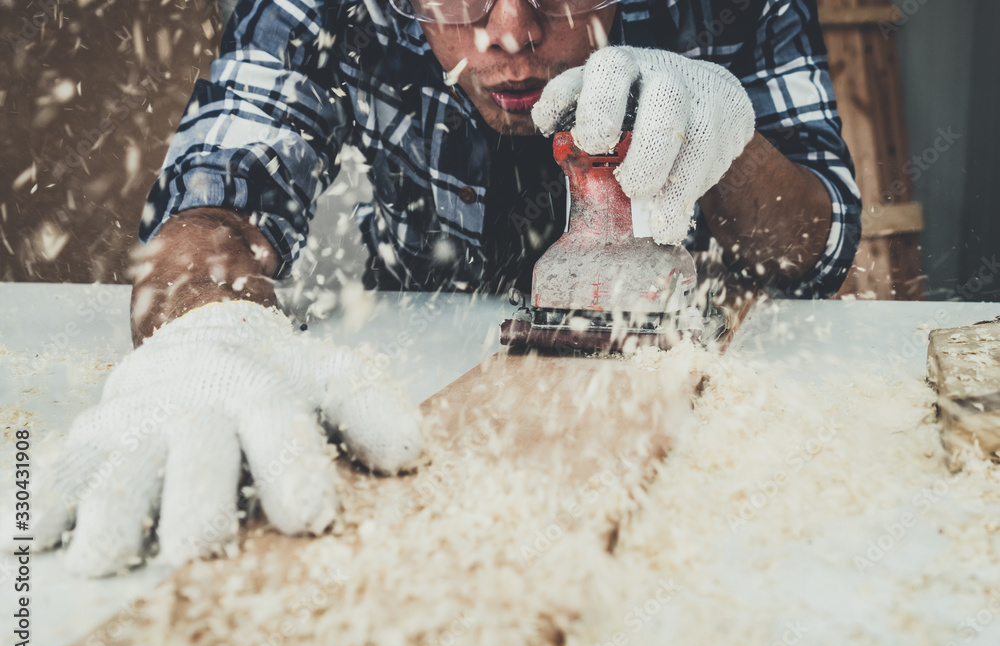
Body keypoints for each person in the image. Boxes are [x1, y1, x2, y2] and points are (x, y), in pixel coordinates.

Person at [34, 0, 861, 576]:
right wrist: (207, 334)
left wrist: (732, 148)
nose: (508, 33)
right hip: (415, 381)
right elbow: (216, 192)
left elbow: (816, 249)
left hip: (698, 401)